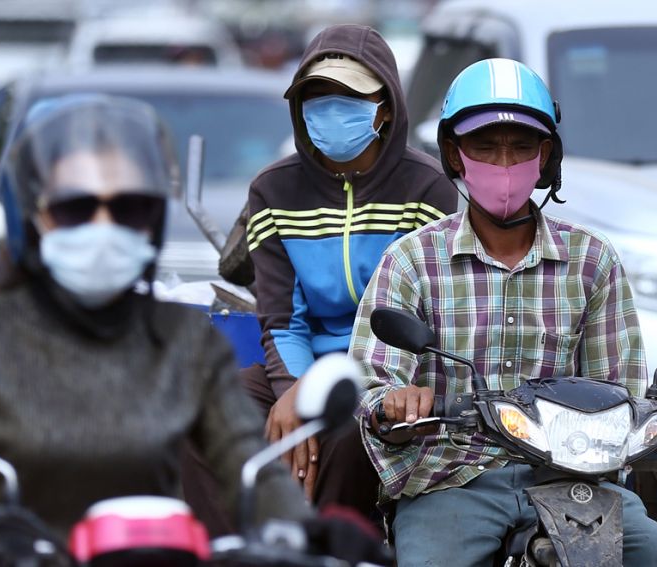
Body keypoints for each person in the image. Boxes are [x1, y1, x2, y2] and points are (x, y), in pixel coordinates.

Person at [0, 95, 386, 566]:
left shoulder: (186, 341)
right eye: (76, 209)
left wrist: (307, 530)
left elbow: (252, 471)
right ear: (31, 217)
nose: (103, 228)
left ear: (152, 221)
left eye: (128, 207)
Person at [349, 57, 657, 566]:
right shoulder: (411, 261)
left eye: (521, 147)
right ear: (454, 153)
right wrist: (392, 404)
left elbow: (621, 391)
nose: (505, 162)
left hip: (578, 484)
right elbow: (368, 383)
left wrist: (641, 418)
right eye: (485, 146)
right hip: (452, 479)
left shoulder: (593, 261)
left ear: (546, 156)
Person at [183, 23, 457, 536]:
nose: (331, 110)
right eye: (317, 97)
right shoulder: (274, 191)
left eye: (348, 96)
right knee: (204, 416)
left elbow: (434, 316)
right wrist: (299, 391)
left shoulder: (429, 189)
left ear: (385, 106)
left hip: (393, 373)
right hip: (301, 367)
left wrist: (330, 402)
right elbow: (283, 320)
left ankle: (331, 547)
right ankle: (232, 548)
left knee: (349, 436)